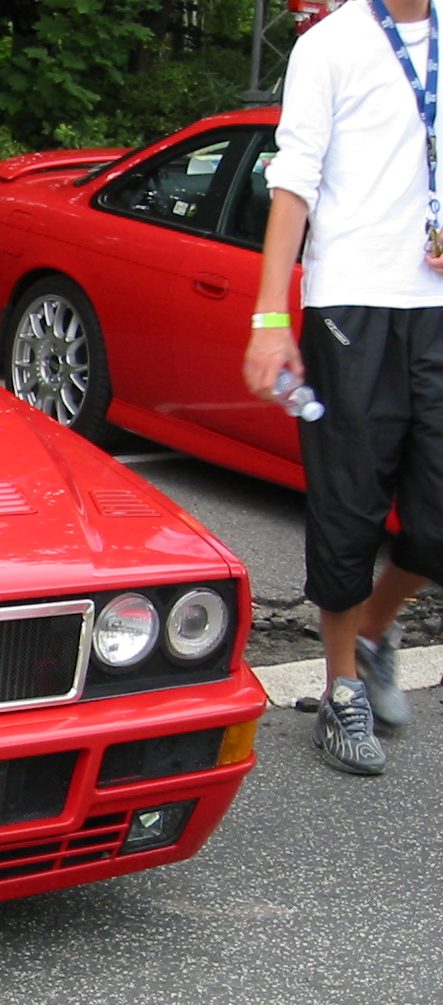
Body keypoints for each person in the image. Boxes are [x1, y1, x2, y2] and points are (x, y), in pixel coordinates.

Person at [244, 0, 443, 774]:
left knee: (436, 518)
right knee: (348, 505)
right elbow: (292, 183)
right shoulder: (330, 45)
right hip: (351, 305)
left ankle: (373, 632)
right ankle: (341, 688)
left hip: (436, 308)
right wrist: (270, 319)